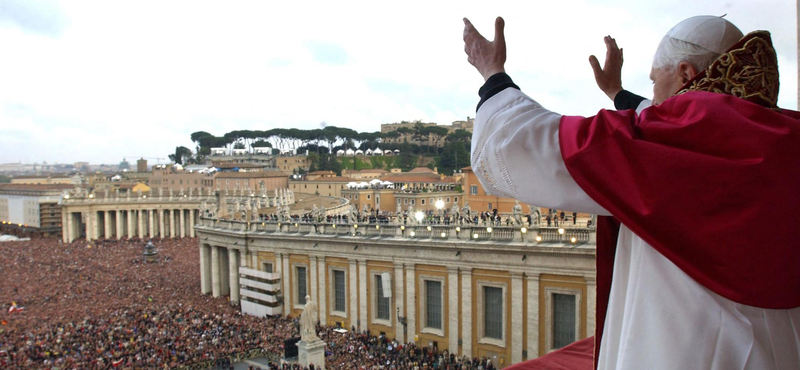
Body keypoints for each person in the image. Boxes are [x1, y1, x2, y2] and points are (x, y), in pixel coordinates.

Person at [463, 15, 800, 370]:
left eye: (655, 80)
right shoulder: (779, 135)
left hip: (697, 349)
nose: (653, 94)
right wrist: (616, 92)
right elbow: (663, 120)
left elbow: (526, 144)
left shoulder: (674, 143)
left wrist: (493, 74)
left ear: (686, 74)